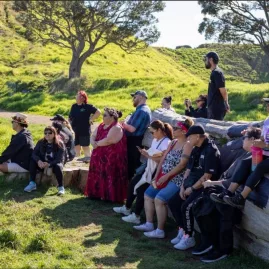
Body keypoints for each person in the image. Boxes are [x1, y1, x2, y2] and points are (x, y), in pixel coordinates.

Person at [191, 128, 261, 263]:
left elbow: (236, 181)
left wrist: (213, 183)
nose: (242, 140)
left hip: (231, 197)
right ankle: (211, 243)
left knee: (220, 216)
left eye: (245, 138)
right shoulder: (245, 154)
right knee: (200, 207)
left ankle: (222, 249)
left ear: (253, 140)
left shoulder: (253, 159)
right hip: (222, 191)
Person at [133, 118, 194, 239]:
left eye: (176, 128)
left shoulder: (188, 145)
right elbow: (163, 160)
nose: (173, 129)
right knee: (148, 194)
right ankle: (149, 224)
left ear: (183, 131)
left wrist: (166, 176)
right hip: (163, 176)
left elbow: (182, 165)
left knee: (159, 199)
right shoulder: (173, 142)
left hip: (176, 179)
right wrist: (157, 175)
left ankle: (160, 230)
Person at [168, 125, 221, 250]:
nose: (188, 140)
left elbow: (207, 176)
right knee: (173, 202)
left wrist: (191, 189)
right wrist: (183, 186)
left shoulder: (211, 150)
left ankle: (189, 236)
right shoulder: (196, 148)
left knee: (186, 206)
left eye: (190, 137)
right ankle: (182, 229)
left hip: (205, 187)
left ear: (198, 136)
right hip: (191, 184)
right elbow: (188, 169)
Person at [210, 100, 269, 209]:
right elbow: (264, 137)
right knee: (245, 162)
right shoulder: (267, 120)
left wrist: (262, 145)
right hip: (265, 153)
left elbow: (266, 143)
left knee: (260, 167)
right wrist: (257, 140)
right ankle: (229, 192)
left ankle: (241, 198)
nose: (267, 107)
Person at [113, 120, 173, 224]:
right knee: (133, 183)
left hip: (156, 171)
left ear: (159, 130)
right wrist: (146, 153)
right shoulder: (156, 140)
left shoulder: (167, 142)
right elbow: (153, 154)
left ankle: (136, 215)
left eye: (152, 132)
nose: (152, 134)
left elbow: (163, 161)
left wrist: (148, 155)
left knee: (142, 191)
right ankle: (127, 208)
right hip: (148, 168)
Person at [85, 108, 128, 203]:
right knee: (97, 174)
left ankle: (110, 197)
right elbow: (93, 135)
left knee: (110, 176)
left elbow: (109, 140)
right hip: (98, 156)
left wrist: (96, 144)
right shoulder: (101, 125)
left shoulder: (116, 127)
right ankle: (96, 194)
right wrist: (93, 142)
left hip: (111, 158)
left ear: (112, 117)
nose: (103, 117)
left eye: (105, 115)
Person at [24, 126, 66, 195]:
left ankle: (61, 187)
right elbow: (34, 154)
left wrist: (49, 164)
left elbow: (59, 159)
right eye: (45, 133)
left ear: (54, 134)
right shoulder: (41, 142)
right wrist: (38, 161)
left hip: (54, 163)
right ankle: (32, 183)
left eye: (50, 133)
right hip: (43, 163)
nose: (47, 135)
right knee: (32, 161)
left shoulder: (59, 144)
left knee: (58, 166)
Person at [122, 90, 151, 181]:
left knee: (130, 167)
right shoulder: (144, 109)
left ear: (141, 97)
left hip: (133, 141)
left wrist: (123, 123)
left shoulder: (141, 111)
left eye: (134, 97)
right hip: (136, 141)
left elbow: (132, 129)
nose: (133, 99)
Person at [69, 90, 101, 161]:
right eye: (77, 95)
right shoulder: (74, 106)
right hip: (75, 130)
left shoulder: (88, 106)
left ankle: (89, 160)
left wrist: (91, 119)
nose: (76, 96)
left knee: (85, 147)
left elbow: (98, 112)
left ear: (83, 98)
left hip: (84, 131)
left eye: (78, 95)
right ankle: (76, 161)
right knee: (76, 147)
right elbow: (70, 117)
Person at [204, 51, 230, 120]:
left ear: (211, 60)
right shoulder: (214, 73)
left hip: (216, 109)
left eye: (206, 59)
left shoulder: (217, 73)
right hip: (213, 108)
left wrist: (226, 103)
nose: (205, 62)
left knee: (214, 129)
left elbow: (223, 90)